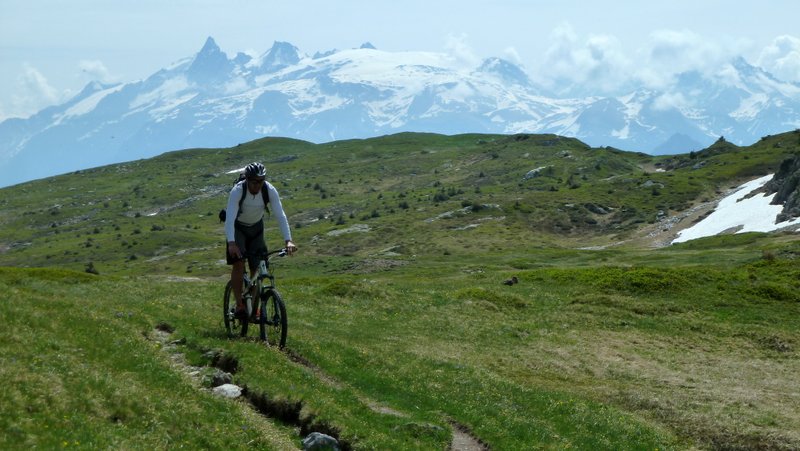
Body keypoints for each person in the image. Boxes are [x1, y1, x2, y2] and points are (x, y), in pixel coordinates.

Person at [225, 162, 297, 317]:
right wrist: (231, 243)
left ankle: (253, 305)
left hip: (256, 228)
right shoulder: (238, 191)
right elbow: (229, 219)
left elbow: (280, 215)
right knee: (238, 263)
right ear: (247, 180)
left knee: (258, 266)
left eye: (261, 181)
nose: (258, 185)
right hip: (238, 228)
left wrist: (288, 240)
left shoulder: (269, 190)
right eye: (255, 181)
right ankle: (240, 305)